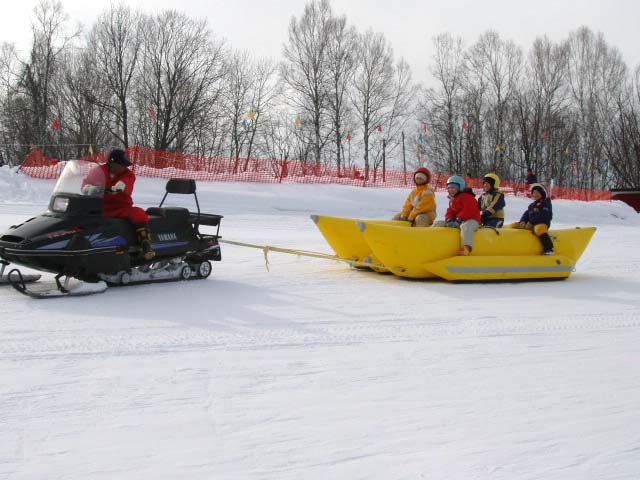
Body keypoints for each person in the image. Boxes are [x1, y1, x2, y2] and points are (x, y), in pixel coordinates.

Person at [82, 149, 155, 260]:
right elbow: (86, 183)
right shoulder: (99, 171)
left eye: (125, 165)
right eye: (122, 164)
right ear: (112, 163)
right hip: (99, 207)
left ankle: (145, 244)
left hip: (120, 208)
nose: (125, 167)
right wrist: (88, 188)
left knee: (138, 213)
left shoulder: (128, 175)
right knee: (78, 212)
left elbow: (128, 182)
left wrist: (122, 185)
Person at [434, 175, 481, 256]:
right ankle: (432, 242)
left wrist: (459, 219)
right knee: (438, 223)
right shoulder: (453, 199)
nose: (451, 190)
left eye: (453, 187)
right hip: (458, 221)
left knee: (465, 226)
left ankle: (466, 249)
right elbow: (450, 211)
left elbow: (469, 209)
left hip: (472, 220)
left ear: (460, 187)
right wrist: (449, 219)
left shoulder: (467, 197)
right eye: (449, 188)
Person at [508, 183, 554, 255]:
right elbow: (526, 214)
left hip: (541, 224)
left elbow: (544, 215)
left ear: (542, 193)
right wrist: (523, 221)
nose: (535, 194)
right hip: (530, 224)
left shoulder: (546, 203)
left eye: (537, 192)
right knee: (513, 225)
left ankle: (549, 249)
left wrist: (532, 222)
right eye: (534, 193)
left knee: (539, 229)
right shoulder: (532, 205)